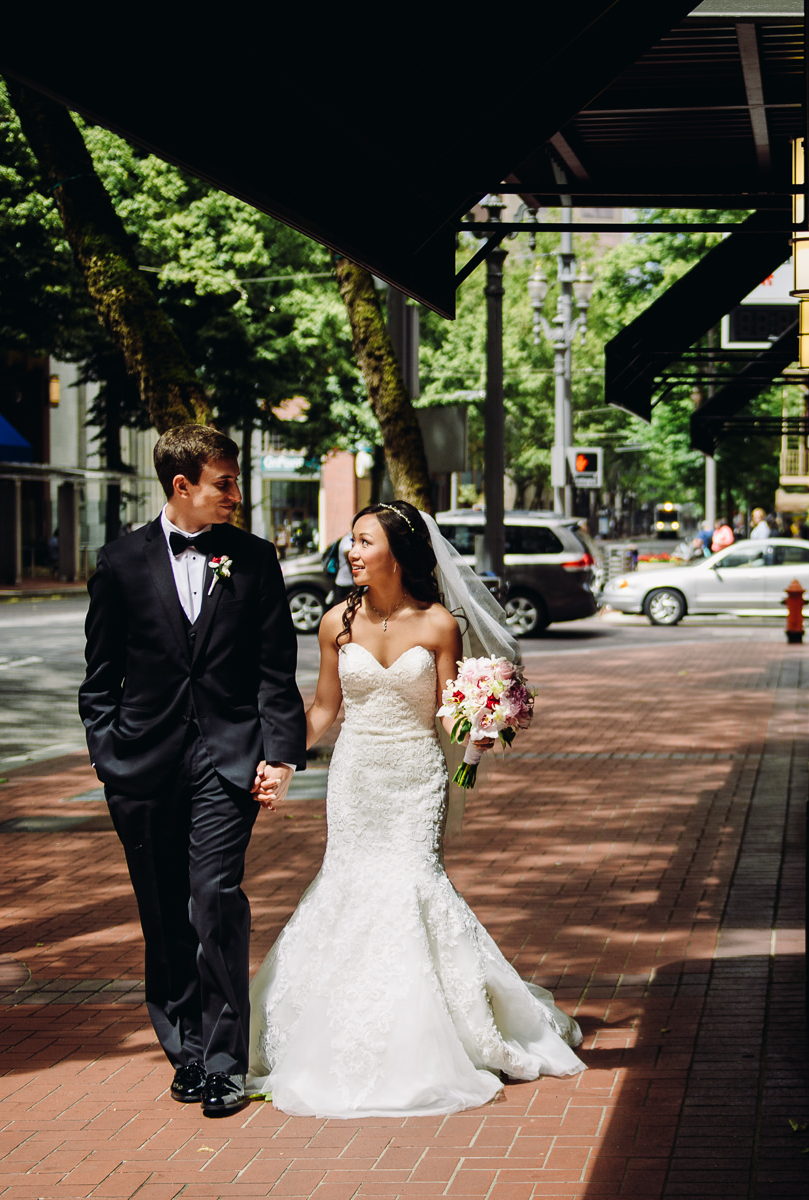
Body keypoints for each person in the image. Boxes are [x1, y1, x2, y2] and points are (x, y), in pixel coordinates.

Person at [247, 500, 584, 1117]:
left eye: (363, 541)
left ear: (396, 555)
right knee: (346, 884)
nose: (351, 551)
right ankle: (333, 1030)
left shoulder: (438, 625)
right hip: (355, 776)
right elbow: (323, 709)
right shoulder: (334, 624)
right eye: (350, 541)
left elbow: (445, 708)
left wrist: (480, 725)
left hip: (416, 775)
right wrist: (281, 758)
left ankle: (433, 1035)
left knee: (412, 885)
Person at [78, 425, 306, 1119]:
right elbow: (99, 678)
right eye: (225, 484)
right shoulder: (119, 563)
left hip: (226, 761)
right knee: (163, 912)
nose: (236, 495)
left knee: (213, 901)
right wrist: (107, 754)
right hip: (142, 766)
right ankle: (184, 1049)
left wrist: (282, 755)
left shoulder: (255, 560)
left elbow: (275, 672)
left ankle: (225, 1063)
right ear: (183, 486)